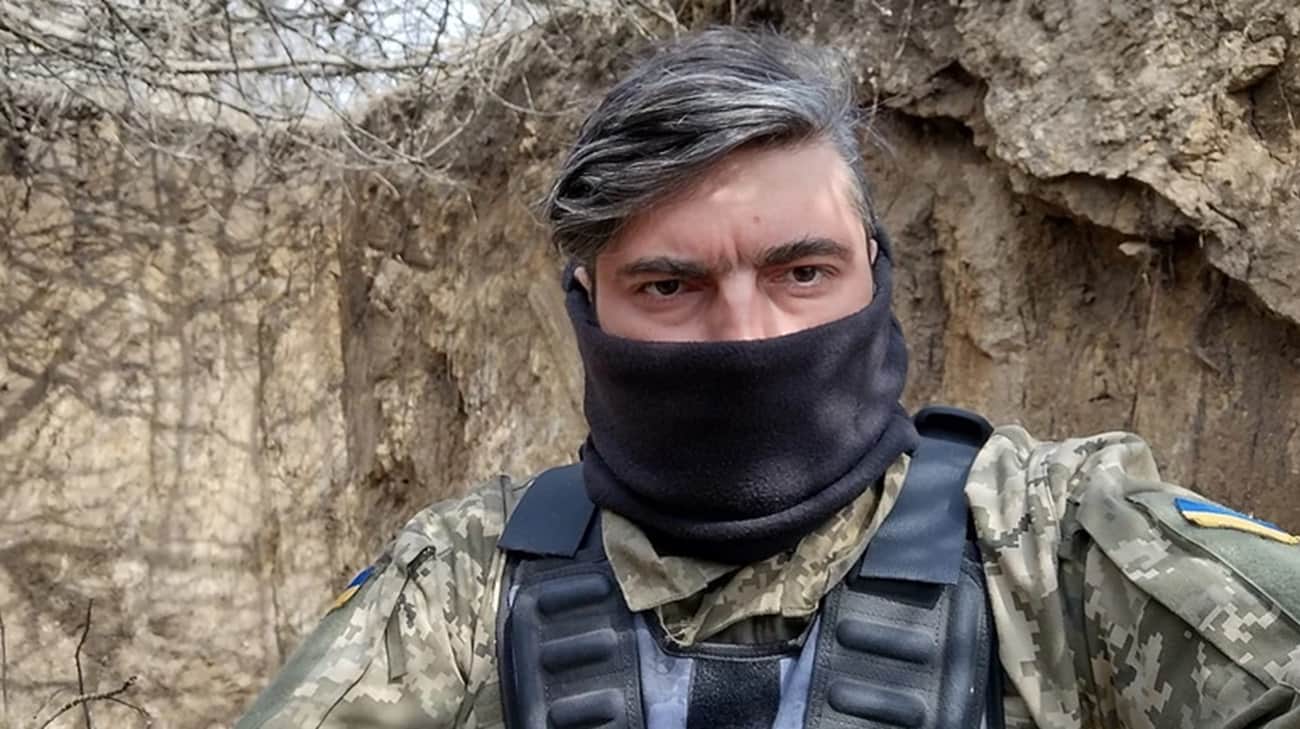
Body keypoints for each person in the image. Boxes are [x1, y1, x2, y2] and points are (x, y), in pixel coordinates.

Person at [235, 28, 1300, 729]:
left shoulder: (1054, 547)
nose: (745, 335)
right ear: (588, 306)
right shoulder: (469, 584)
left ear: (874, 271)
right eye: (669, 285)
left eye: (802, 272)